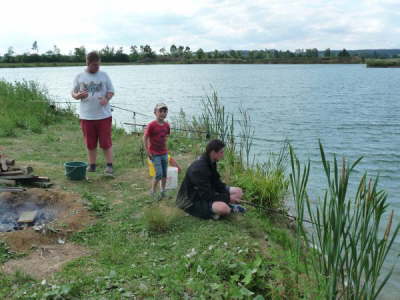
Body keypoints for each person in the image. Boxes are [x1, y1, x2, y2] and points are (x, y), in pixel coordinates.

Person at [176, 139, 245, 219]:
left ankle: (222, 207)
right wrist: (228, 198)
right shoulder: (199, 169)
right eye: (221, 152)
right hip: (191, 200)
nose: (223, 155)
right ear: (213, 152)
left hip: (206, 193)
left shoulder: (211, 161)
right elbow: (207, 195)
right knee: (223, 208)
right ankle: (228, 208)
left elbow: (217, 183)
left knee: (238, 192)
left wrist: (226, 195)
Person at [71, 51, 115, 175]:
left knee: (106, 142)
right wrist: (77, 95)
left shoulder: (104, 75)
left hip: (104, 116)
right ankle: (92, 165)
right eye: (94, 65)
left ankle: (110, 165)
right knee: (90, 143)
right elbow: (73, 93)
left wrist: (106, 99)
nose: (97, 67)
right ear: (88, 63)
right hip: (86, 117)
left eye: (98, 64)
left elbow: (111, 91)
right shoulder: (79, 76)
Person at [143, 103, 171, 198]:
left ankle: (163, 191)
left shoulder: (167, 125)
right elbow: (145, 137)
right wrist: (147, 150)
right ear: (155, 112)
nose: (163, 113)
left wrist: (166, 148)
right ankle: (153, 191)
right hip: (154, 154)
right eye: (160, 111)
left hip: (164, 153)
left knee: (164, 173)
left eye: (165, 111)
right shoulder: (151, 125)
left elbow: (166, 136)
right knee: (158, 174)